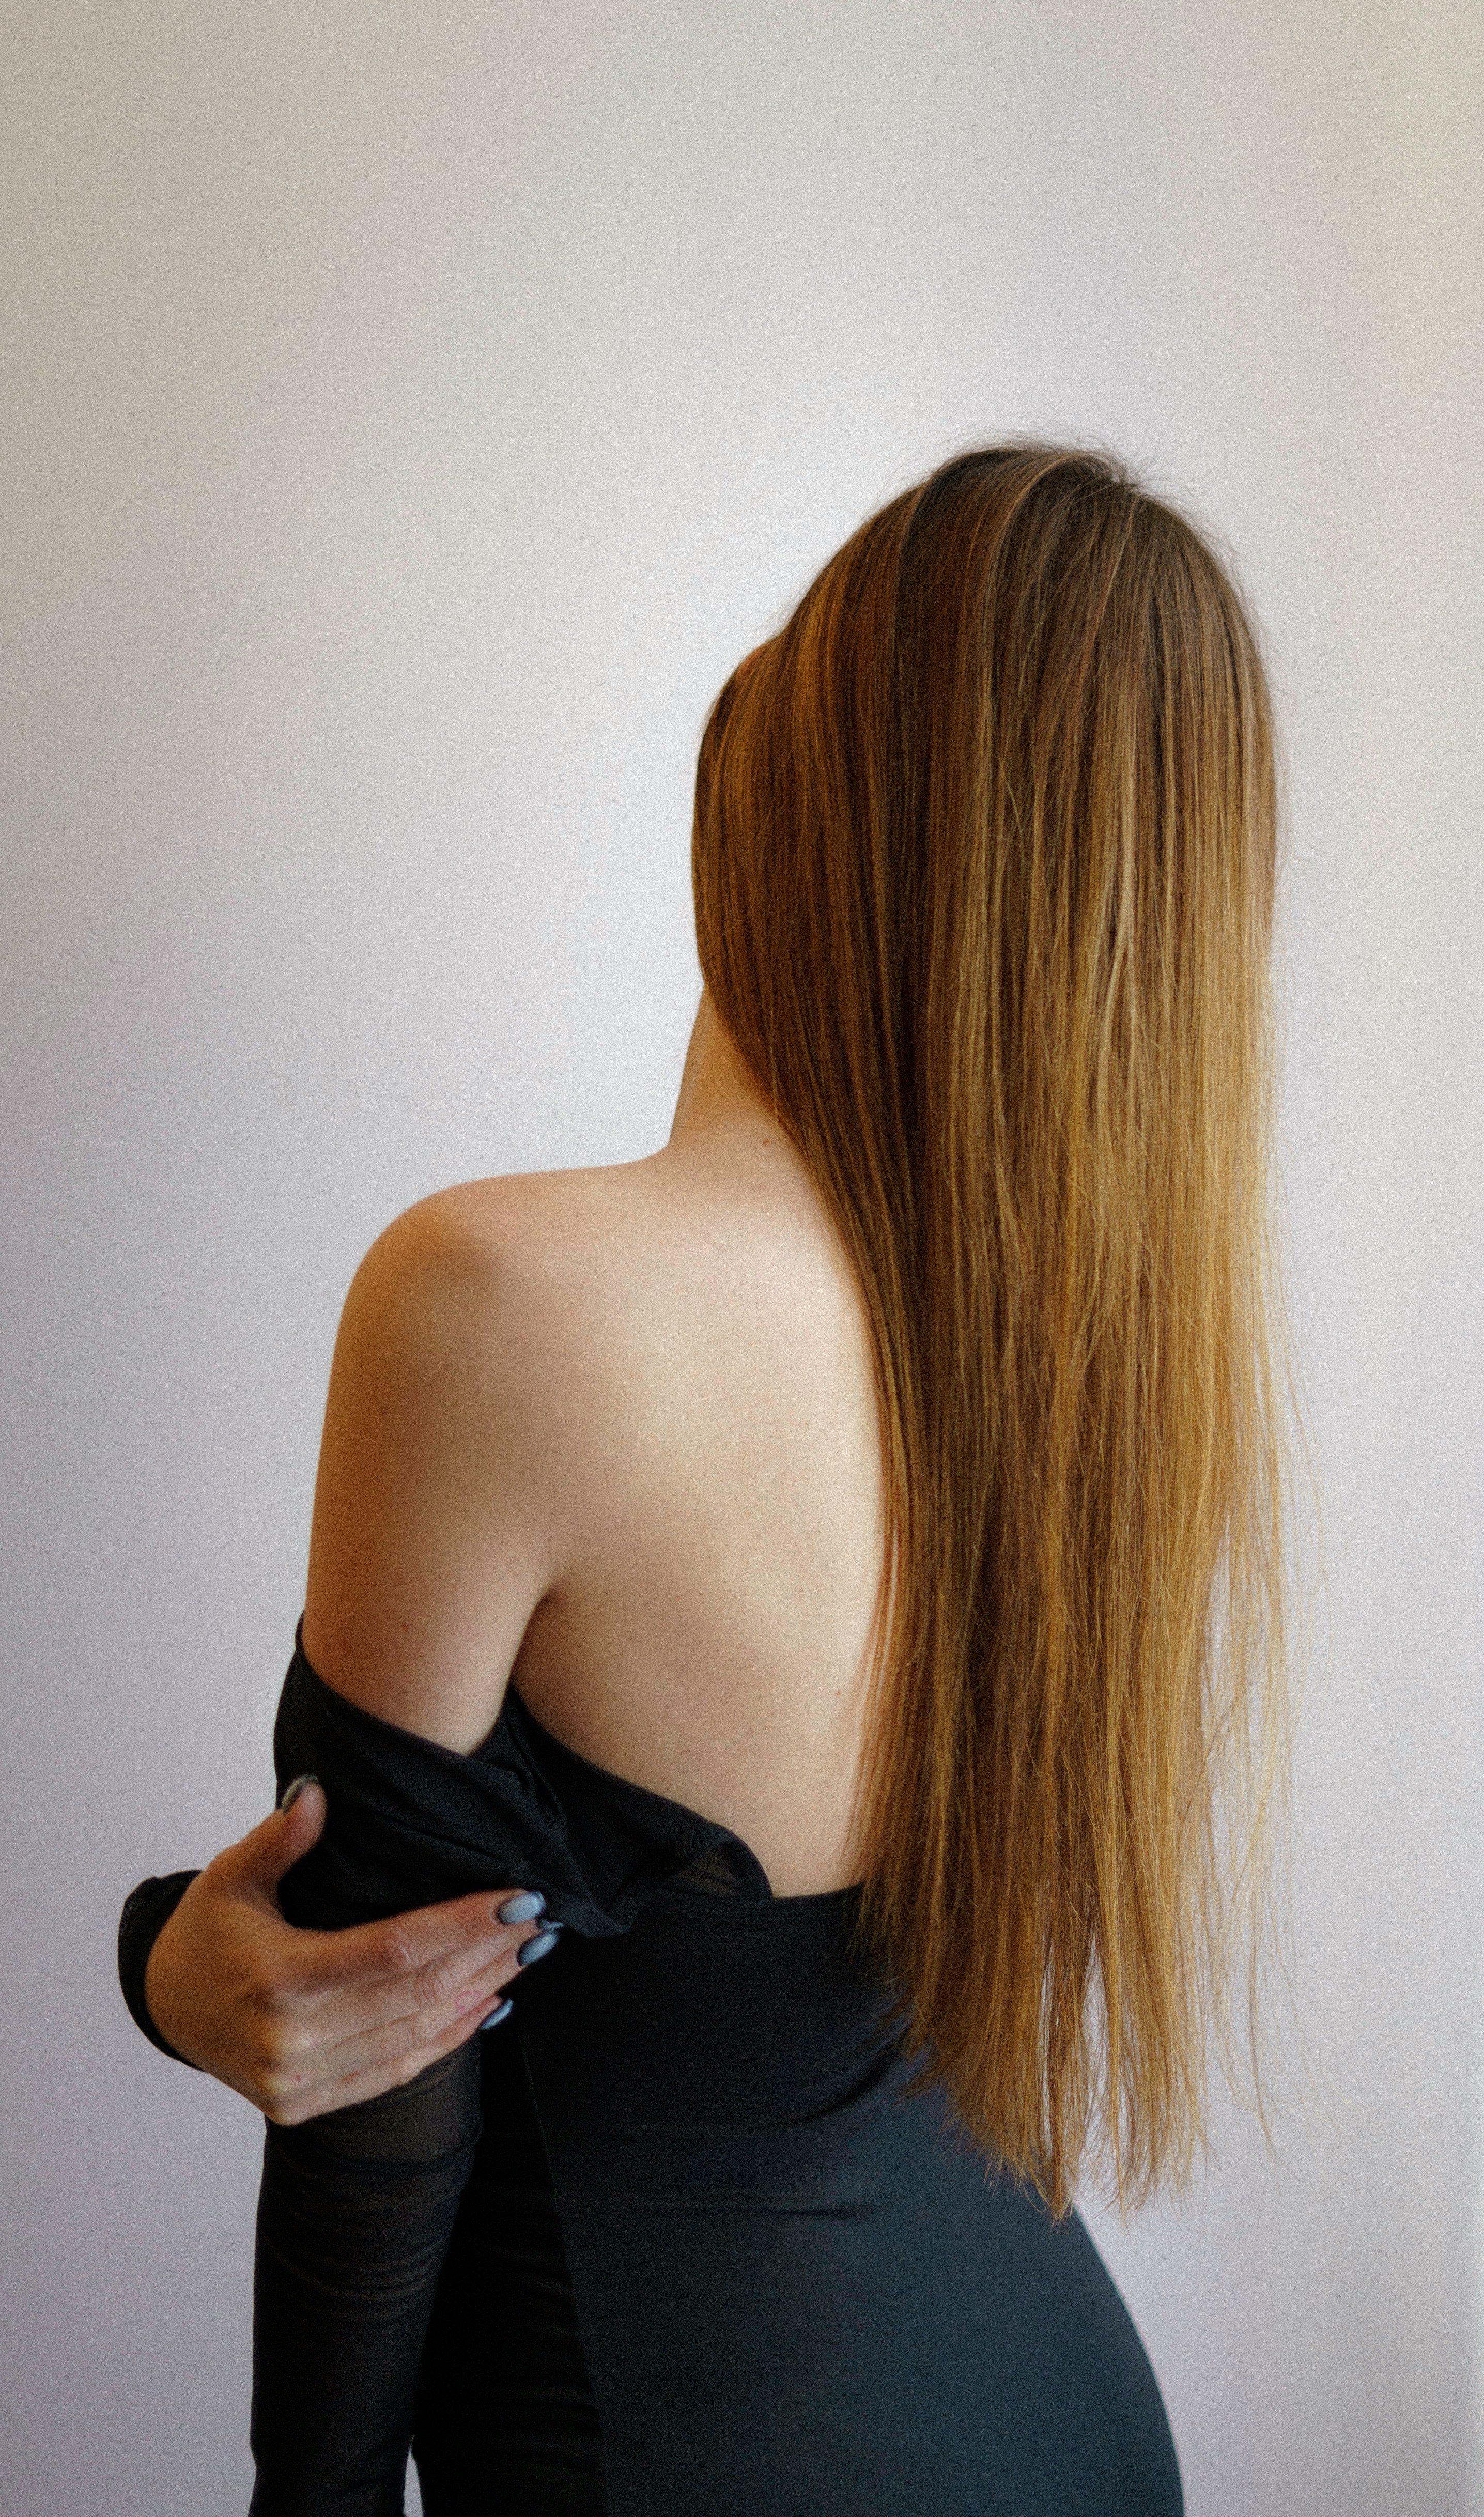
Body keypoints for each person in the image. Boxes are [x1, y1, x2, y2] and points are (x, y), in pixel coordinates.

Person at [119, 443, 1296, 2515]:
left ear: (819, 782)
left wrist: (300, 2495)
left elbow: (378, 2061)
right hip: (1055, 2422)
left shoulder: (501, 1299)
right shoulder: (1104, 1380)